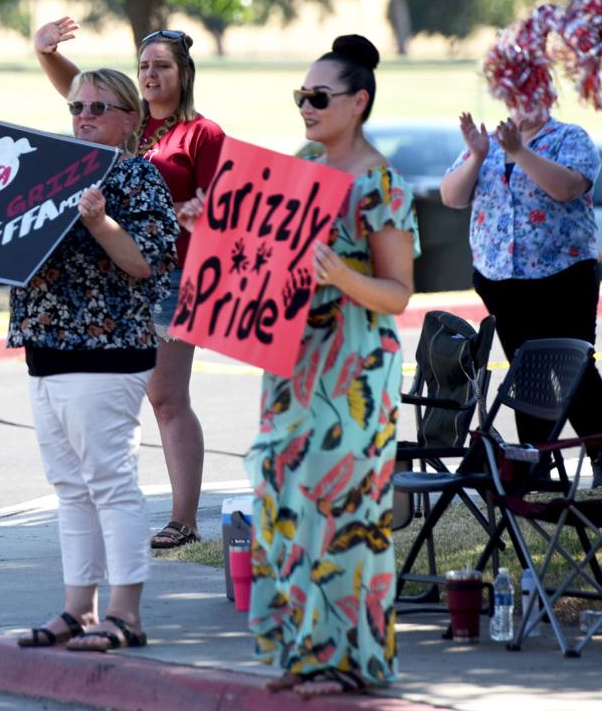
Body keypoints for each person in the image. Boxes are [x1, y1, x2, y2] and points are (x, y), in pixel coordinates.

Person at [181, 35, 416, 697]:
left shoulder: (380, 183)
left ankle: (350, 662)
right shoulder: (303, 164)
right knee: (283, 500)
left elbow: (399, 293)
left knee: (343, 513)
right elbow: (259, 254)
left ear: (357, 102)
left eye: (318, 98)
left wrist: (342, 274)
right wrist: (211, 226)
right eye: (300, 97)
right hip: (291, 362)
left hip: (355, 369)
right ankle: (303, 651)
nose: (306, 108)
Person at [0, 68, 178, 652]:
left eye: (99, 107)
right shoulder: (44, 174)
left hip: (108, 351)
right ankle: (77, 610)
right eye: (76, 107)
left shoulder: (137, 178)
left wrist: (99, 220)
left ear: (131, 118)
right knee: (70, 486)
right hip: (44, 348)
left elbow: (144, 263)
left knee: (111, 484)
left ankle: (125, 613)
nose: (84, 116)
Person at [33, 17, 224, 549]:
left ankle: (183, 519)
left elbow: (224, 203)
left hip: (170, 274)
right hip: (109, 279)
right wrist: (45, 53)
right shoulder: (127, 120)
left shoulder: (201, 134)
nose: (150, 75)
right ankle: (103, 512)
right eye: (143, 66)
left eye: (162, 66)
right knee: (110, 395)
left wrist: (197, 211)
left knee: (166, 397)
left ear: (184, 73)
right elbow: (85, 95)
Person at [440, 37, 602, 486]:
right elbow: (451, 197)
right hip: (502, 278)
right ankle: (537, 461)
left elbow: (567, 188)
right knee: (527, 369)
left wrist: (519, 153)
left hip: (562, 275)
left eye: (533, 94)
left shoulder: (570, 138)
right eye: (515, 96)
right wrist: (477, 155)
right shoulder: (488, 142)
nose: (523, 104)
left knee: (573, 365)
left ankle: (599, 450)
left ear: (548, 94)